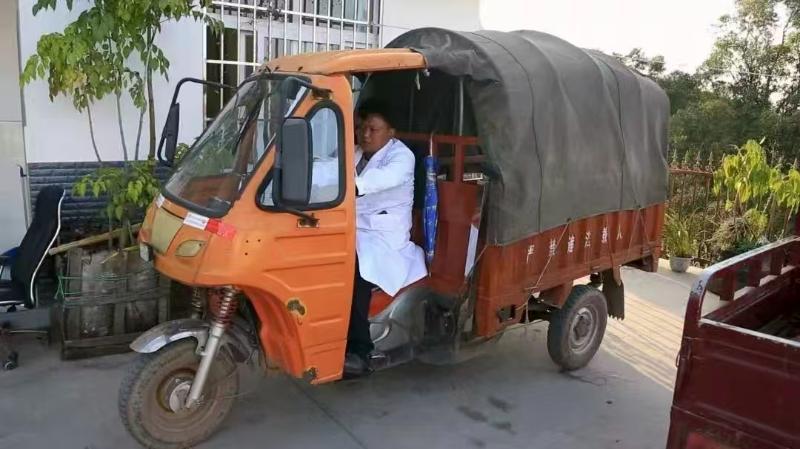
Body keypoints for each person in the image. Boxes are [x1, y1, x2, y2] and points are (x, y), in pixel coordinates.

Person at [344, 99, 427, 377]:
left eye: (373, 129)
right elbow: (327, 170)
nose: (365, 135)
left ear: (391, 132)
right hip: (353, 228)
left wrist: (342, 186)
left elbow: (376, 181)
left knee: (355, 274)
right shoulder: (356, 152)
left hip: (382, 238)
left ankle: (360, 350)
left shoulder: (401, 158)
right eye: (361, 128)